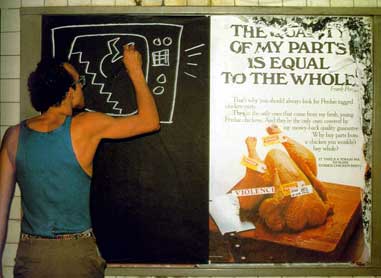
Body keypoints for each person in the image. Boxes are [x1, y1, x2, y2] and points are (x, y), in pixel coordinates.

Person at [0, 44, 160, 277]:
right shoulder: (86, 125)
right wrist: (135, 70)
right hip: (76, 254)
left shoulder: (13, 136)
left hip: (31, 255)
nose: (82, 85)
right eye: (79, 81)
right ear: (69, 91)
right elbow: (149, 121)